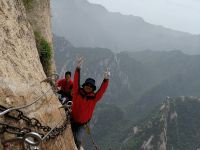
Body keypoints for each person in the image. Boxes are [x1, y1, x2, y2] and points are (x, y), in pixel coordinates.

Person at [71, 57, 110, 149]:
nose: (88, 87)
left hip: (82, 124)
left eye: (90, 86)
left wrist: (106, 80)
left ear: (92, 89)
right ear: (84, 86)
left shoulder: (94, 98)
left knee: (78, 140)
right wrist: (78, 69)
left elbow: (101, 91)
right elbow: (76, 81)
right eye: (87, 85)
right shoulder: (77, 93)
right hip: (71, 120)